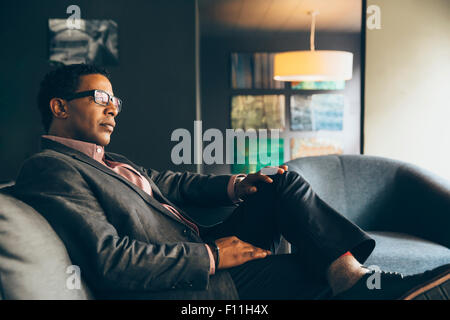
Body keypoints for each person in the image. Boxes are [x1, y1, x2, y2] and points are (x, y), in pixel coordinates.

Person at [13, 64, 449, 300]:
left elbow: (169, 182)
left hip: (203, 241)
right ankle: (357, 285)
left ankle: (352, 275)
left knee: (281, 181)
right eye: (101, 98)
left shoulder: (110, 160)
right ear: (60, 106)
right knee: (306, 271)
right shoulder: (50, 168)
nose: (114, 109)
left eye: (116, 101)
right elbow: (111, 260)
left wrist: (236, 186)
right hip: (188, 277)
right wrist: (214, 255)